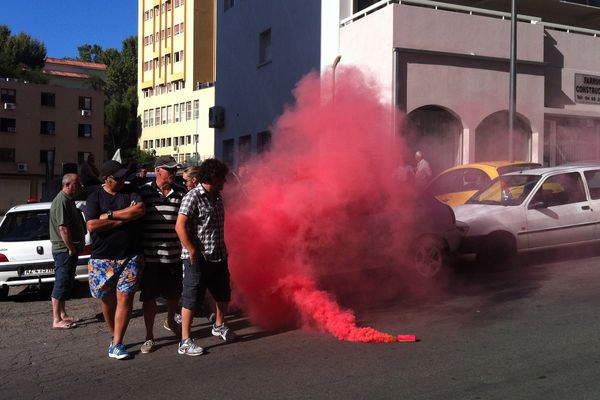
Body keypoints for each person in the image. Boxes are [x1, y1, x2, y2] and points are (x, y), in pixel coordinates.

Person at [84, 160, 145, 360]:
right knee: (107, 300)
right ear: (107, 179)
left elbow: (139, 211)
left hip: (130, 255)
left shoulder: (131, 191)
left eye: (123, 176)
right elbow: (92, 225)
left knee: (126, 297)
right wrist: (125, 219)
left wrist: (110, 216)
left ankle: (117, 343)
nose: (122, 180)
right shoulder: (94, 198)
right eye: (118, 178)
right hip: (102, 258)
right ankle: (114, 335)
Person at [175, 158, 236, 356]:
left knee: (223, 294)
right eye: (222, 178)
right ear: (213, 177)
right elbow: (180, 226)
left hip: (218, 255)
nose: (225, 182)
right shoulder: (193, 196)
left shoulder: (217, 197)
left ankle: (219, 325)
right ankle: (185, 340)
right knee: (192, 298)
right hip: (197, 258)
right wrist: (192, 250)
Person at [138, 156, 187, 354]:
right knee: (149, 298)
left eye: (175, 170)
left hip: (174, 255)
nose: (174, 174)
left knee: (174, 295)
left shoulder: (181, 192)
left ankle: (170, 321)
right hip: (150, 257)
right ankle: (149, 337)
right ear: (158, 171)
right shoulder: (144, 192)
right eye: (170, 170)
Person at [49, 173, 86, 330]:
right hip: (64, 250)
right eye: (78, 184)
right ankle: (56, 319)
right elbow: (63, 228)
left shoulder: (68, 200)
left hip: (69, 250)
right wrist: (71, 248)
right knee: (61, 282)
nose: (81, 186)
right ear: (68, 185)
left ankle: (63, 314)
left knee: (67, 282)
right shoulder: (61, 201)